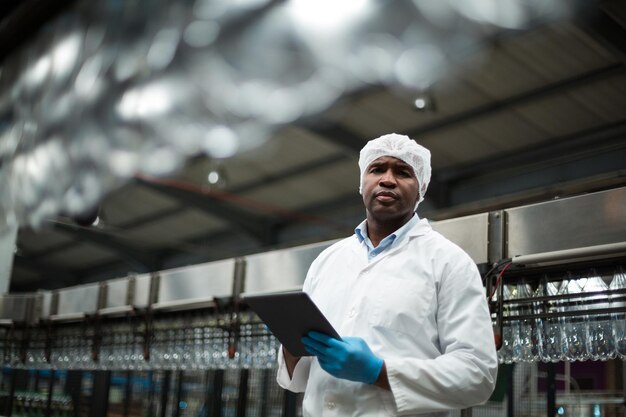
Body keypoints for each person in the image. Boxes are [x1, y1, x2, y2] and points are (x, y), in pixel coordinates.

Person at [276, 133, 498, 416]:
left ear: (421, 190)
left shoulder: (449, 262)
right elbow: (300, 379)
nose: (388, 179)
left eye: (403, 172)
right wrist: (292, 345)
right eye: (377, 169)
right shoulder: (327, 261)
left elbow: (477, 375)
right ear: (362, 184)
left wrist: (378, 372)